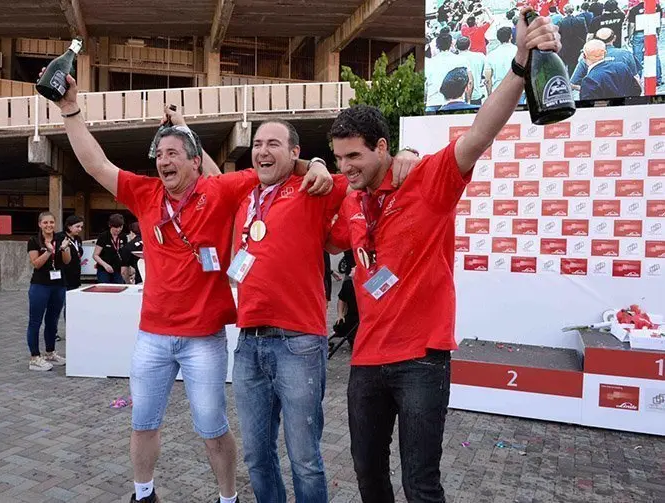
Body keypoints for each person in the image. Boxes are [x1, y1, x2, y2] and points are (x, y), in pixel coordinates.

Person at [45, 61, 335, 503]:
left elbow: (271, 167)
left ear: (195, 162)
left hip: (204, 339)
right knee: (142, 422)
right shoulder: (145, 194)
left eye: (173, 154)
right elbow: (95, 164)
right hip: (152, 337)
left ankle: (227, 498)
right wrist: (70, 111)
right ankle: (143, 493)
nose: (163, 162)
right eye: (159, 156)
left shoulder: (219, 190)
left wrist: (315, 162)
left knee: (213, 429)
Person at [326, 9, 562, 502]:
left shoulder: (428, 181)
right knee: (369, 478)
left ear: (383, 148)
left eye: (355, 157)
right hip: (365, 359)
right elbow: (319, 234)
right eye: (338, 158)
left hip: (421, 361)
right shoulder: (350, 198)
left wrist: (520, 65)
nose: (345, 167)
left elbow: (480, 133)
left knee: (421, 483)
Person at [230, 119, 418, 503]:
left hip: (298, 343)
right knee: (256, 456)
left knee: (304, 459)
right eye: (257, 143)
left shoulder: (313, 187)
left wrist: (317, 164)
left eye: (274, 143)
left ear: (294, 152)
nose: (263, 150)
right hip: (248, 343)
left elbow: (361, 175)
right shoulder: (246, 191)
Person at [26, 211, 70, 371]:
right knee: (35, 321)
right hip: (40, 285)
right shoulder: (33, 241)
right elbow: (36, 263)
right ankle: (34, 357)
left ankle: (50, 352)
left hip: (59, 284)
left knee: (53, 320)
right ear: (40, 224)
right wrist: (49, 251)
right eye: (45, 223)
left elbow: (67, 261)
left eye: (51, 222)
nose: (49, 225)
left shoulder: (60, 239)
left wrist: (64, 249)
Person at [570, 27, 638, 87]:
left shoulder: (587, 57)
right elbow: (636, 78)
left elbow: (573, 82)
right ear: (614, 38)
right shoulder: (626, 54)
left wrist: (585, 88)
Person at [425, 31, 471, 108]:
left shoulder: (429, 62)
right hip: (456, 102)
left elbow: (425, 84)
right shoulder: (462, 60)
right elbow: (469, 81)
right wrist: (468, 100)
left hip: (433, 102)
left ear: (437, 46)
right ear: (451, 44)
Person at [56, 214, 84, 336]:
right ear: (69, 226)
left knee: (71, 306)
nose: (79, 229)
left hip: (74, 277)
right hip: (62, 277)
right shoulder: (60, 238)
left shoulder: (77, 239)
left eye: (81, 227)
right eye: (77, 226)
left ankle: (71, 330)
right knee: (58, 305)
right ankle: (53, 331)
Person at [626, 0, 663, 83]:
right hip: (652, 31)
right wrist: (658, 33)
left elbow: (632, 25)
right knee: (654, 56)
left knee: (637, 57)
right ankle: (658, 78)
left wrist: (629, 37)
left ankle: (637, 80)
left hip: (639, 33)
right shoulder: (657, 7)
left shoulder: (634, 9)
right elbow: (659, 22)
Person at [94, 213, 127, 284]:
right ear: (110, 226)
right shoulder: (103, 236)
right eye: (116, 227)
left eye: (120, 227)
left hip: (118, 269)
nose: (118, 230)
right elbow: (95, 255)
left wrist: (124, 266)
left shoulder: (123, 236)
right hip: (104, 269)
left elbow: (124, 253)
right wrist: (105, 265)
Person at [484, 27, 518, 95]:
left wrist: (489, 95)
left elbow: (488, 79)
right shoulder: (519, 51)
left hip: (498, 90)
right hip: (516, 89)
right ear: (511, 36)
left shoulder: (491, 55)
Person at [558, 3, 589, 74]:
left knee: (563, 67)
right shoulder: (581, 20)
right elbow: (585, 33)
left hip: (564, 47)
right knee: (573, 67)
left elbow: (558, 36)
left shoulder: (561, 22)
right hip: (577, 47)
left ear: (564, 11)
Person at [456, 36, 487, 104]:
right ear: (469, 45)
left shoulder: (454, 59)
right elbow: (486, 74)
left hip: (459, 96)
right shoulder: (480, 56)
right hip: (476, 94)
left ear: (456, 47)